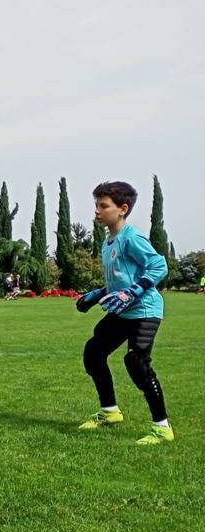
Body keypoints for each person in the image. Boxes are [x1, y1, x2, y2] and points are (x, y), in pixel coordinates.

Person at [75, 181, 172, 445]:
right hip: (123, 311)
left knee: (136, 362)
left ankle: (162, 428)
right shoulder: (108, 242)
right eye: (96, 205)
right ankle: (110, 412)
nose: (97, 211)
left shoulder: (131, 237)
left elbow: (158, 265)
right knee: (94, 352)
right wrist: (98, 294)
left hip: (144, 310)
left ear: (122, 209)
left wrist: (131, 292)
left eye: (103, 206)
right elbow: (121, 278)